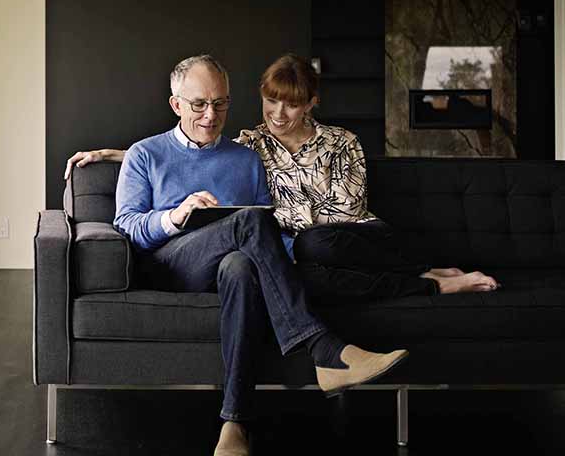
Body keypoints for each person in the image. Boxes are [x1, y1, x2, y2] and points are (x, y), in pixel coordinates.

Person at [110, 54, 407, 456]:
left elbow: (267, 234)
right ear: (176, 104)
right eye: (199, 104)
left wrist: (294, 267)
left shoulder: (246, 159)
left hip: (228, 269)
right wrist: (176, 216)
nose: (211, 115)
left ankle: (234, 424)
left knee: (241, 264)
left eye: (220, 103)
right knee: (248, 222)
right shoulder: (144, 154)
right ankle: (324, 348)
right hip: (169, 264)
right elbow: (126, 225)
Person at [68, 53, 500, 302]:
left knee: (313, 243)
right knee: (304, 272)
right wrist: (113, 155)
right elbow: (191, 146)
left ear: (310, 103)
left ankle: (421, 264)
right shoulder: (253, 143)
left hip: (354, 238)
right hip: (299, 250)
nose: (278, 114)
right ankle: (430, 284)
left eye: (291, 105)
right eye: (270, 102)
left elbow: (346, 210)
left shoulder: (341, 141)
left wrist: (278, 226)